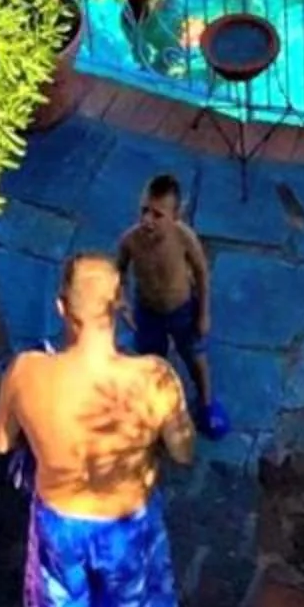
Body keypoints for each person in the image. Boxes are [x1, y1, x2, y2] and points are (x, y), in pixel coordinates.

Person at [0, 252, 193, 607]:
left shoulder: (26, 372)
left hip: (59, 521)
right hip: (127, 524)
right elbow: (184, 452)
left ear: (62, 308)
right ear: (119, 305)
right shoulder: (155, 377)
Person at [117, 172, 229, 437]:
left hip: (182, 310)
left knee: (195, 358)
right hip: (148, 313)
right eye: (144, 210)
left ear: (175, 217)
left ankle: (206, 403)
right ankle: (157, 405)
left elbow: (201, 272)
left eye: (157, 215)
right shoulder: (130, 241)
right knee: (151, 361)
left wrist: (203, 314)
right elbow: (118, 272)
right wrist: (122, 302)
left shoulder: (184, 238)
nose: (147, 220)